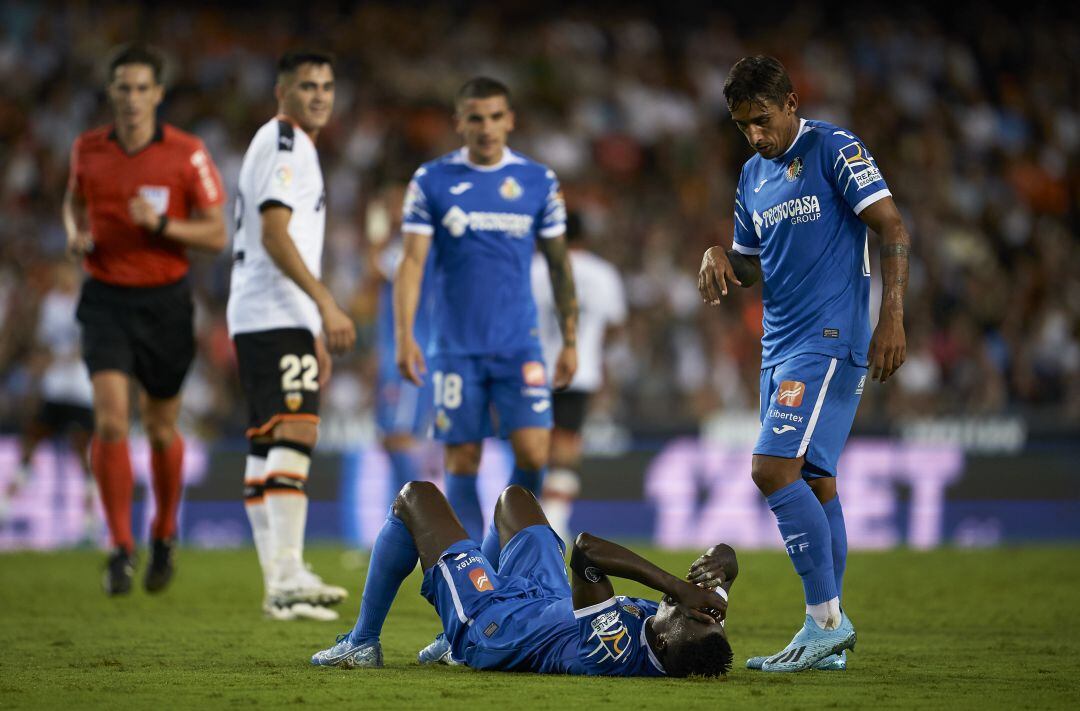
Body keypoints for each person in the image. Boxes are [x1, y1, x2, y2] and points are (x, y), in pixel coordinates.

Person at [698, 55, 910, 672]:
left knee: (770, 469)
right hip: (778, 343)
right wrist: (717, 254)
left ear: (791, 101)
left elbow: (890, 225)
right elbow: (751, 265)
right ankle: (826, 642)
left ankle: (826, 622)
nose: (755, 136)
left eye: (762, 120)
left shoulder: (834, 148)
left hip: (827, 337)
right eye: (743, 127)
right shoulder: (751, 178)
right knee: (816, 480)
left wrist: (891, 315)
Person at [65, 44, 227, 595]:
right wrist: (74, 231)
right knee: (110, 419)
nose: (132, 98)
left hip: (165, 302)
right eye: (123, 87)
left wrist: (162, 225)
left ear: (158, 93)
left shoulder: (187, 154)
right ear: (111, 92)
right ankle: (118, 546)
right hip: (106, 297)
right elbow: (72, 200)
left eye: (141, 88)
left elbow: (215, 233)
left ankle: (162, 531)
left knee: (160, 427)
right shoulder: (87, 149)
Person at [394, 77, 578, 549]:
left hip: (520, 342)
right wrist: (404, 335)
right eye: (475, 117)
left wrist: (570, 340)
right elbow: (411, 261)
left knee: (535, 452)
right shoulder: (431, 180)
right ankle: (471, 566)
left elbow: (559, 264)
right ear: (459, 122)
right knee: (462, 460)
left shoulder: (539, 181)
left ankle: (501, 549)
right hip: (456, 346)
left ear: (510, 120)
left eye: (496, 116)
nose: (486, 127)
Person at [311, 482, 735, 677]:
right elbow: (726, 565)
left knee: (415, 498)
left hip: (497, 624)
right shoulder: (696, 641)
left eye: (686, 613)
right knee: (514, 500)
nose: (689, 606)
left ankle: (364, 642)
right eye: (706, 615)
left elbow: (586, 549)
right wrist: (723, 562)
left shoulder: (615, 649)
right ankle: (450, 630)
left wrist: (676, 585)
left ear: (660, 642)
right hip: (548, 598)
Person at [227, 50, 356, 621]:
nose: (320, 95)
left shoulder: (284, 143)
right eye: (307, 85)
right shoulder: (287, 143)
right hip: (275, 309)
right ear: (282, 90)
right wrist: (324, 303)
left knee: (266, 443)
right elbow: (277, 234)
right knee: (298, 428)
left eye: (327, 85)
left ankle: (277, 588)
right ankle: (286, 571)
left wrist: (310, 321)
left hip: (265, 312)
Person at [530, 212, 627, 545]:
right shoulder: (602, 274)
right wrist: (591, 343)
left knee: (537, 447)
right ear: (584, 236)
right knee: (568, 445)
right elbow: (615, 324)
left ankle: (536, 519)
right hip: (581, 371)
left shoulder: (536, 269)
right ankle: (554, 518)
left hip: (536, 371)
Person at [0, 261, 96, 538]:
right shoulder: (51, 304)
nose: (60, 277)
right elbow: (44, 342)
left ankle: (90, 517)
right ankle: (8, 501)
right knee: (32, 438)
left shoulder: (86, 302)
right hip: (55, 385)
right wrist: (41, 362)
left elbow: (86, 344)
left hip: (79, 385)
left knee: (82, 451)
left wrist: (57, 358)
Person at [367, 185, 437, 500]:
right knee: (390, 437)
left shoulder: (415, 251)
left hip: (410, 354)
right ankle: (405, 518)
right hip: (392, 354)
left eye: (399, 206)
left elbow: (374, 269)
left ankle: (417, 521)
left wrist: (378, 233)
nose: (394, 212)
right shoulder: (399, 248)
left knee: (400, 437)